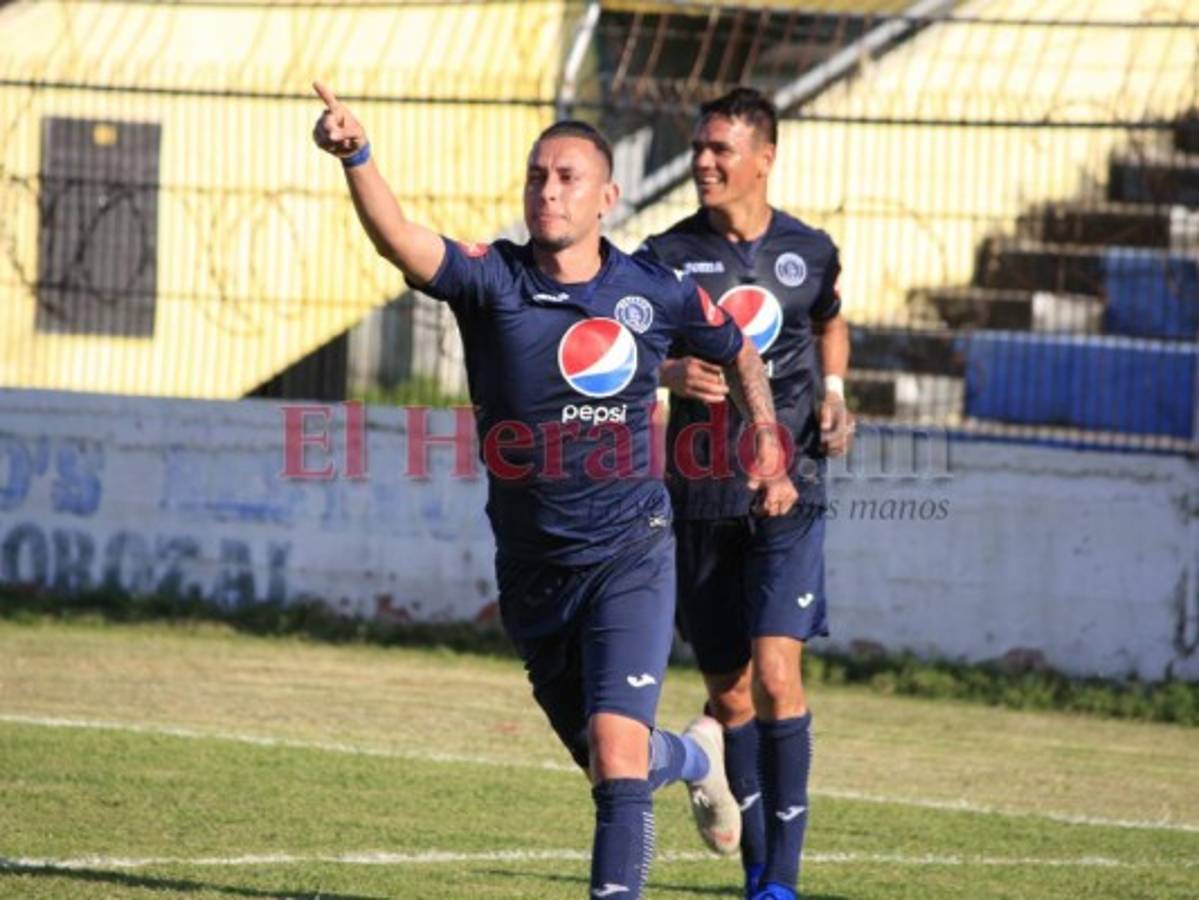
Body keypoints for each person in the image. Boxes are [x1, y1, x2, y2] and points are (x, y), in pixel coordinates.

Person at [311, 82, 799, 899]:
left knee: (615, 755)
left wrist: (769, 446)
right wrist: (357, 156)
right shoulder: (491, 281)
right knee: (612, 763)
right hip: (533, 568)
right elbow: (399, 240)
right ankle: (694, 756)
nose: (548, 190)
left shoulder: (653, 291)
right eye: (537, 176)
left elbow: (740, 349)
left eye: (568, 177)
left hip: (629, 555)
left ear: (607, 197)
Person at [637, 87, 854, 900]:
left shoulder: (811, 250)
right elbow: (621, 344)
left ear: (763, 159)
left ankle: (778, 885)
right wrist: (666, 369)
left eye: (719, 149)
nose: (702, 161)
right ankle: (758, 867)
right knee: (729, 695)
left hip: (789, 485)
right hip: (698, 493)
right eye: (698, 147)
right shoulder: (663, 255)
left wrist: (833, 391)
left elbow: (829, 319)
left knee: (774, 674)